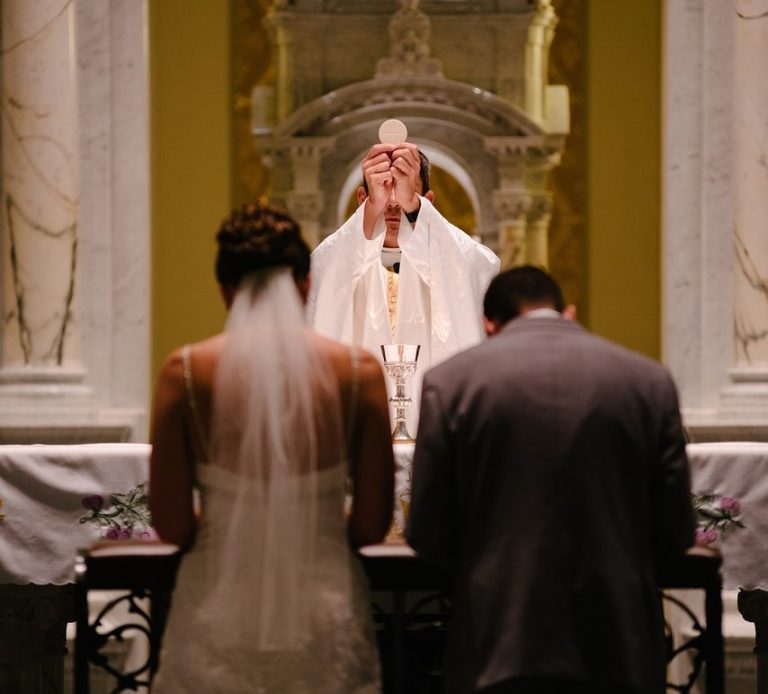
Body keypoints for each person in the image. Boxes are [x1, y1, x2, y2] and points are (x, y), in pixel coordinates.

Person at [406, 265, 695, 694]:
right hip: (619, 640)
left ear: (489, 324)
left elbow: (428, 533)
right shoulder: (648, 381)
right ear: (569, 313)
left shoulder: (449, 383)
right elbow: (675, 533)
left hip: (499, 640)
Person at [149, 203, 394, 693]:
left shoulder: (187, 373)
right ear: (305, 283)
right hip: (322, 607)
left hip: (218, 606)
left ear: (225, 289)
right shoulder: (359, 372)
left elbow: (172, 525)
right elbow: (371, 523)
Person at [308, 142, 500, 432]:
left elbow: (481, 267)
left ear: (428, 202)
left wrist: (415, 209)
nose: (394, 203)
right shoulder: (340, 258)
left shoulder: (452, 257)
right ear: (362, 198)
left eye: (404, 192)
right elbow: (321, 274)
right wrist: (374, 207)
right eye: (384, 191)